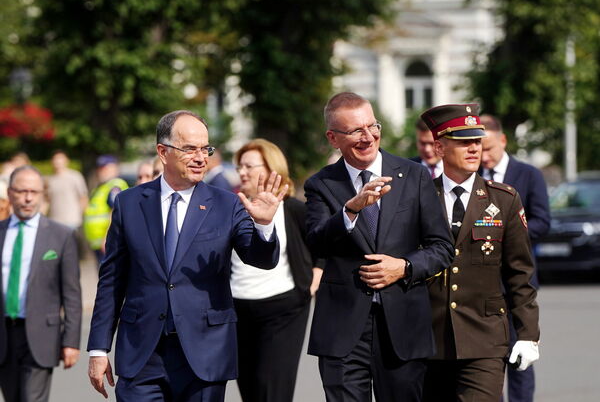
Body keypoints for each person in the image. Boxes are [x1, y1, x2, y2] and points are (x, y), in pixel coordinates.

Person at [87, 110, 287, 402]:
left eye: (205, 149)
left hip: (204, 354)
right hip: (142, 354)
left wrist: (264, 225)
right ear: (163, 152)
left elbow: (261, 258)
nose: (200, 157)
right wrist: (98, 348)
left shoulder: (227, 203)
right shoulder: (130, 203)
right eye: (190, 148)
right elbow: (111, 280)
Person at [304, 92, 454, 401]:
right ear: (333, 138)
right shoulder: (321, 184)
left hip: (402, 325)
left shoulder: (413, 175)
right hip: (344, 330)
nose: (368, 136)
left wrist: (405, 267)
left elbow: (441, 247)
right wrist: (350, 210)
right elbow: (316, 240)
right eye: (355, 130)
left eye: (372, 126)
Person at [419, 103, 540, 402]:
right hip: (427, 336)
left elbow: (520, 273)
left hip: (484, 336)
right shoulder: (418, 196)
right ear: (439, 147)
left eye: (476, 140)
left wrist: (527, 334)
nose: (474, 148)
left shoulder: (504, 199)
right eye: (463, 142)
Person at [231, 139, 324, 402]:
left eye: (249, 166)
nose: (242, 172)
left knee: (273, 391)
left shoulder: (293, 209)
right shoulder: (232, 208)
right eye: (239, 166)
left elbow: (322, 246)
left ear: (272, 169)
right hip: (237, 308)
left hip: (284, 309)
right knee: (249, 388)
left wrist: (314, 279)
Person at [479, 114, 550, 402]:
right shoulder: (474, 178)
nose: (484, 156)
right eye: (479, 149)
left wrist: (506, 234)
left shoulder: (528, 174)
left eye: (489, 149)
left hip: (517, 281)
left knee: (519, 354)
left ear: (503, 141)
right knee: (486, 361)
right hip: (482, 283)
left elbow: (543, 221)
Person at [0, 166, 82, 402]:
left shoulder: (60, 235)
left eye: (33, 192)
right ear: (10, 193)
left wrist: (71, 341)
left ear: (42, 195)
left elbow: (72, 294)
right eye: (21, 191)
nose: (27, 198)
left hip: (40, 335)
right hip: (4, 335)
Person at [83, 155, 128, 265]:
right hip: (98, 243)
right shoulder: (102, 186)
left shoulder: (115, 186)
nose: (102, 171)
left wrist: (108, 237)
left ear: (115, 168)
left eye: (106, 168)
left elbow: (115, 213)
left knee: (109, 278)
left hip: (108, 242)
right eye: (100, 168)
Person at [46, 150, 89, 229]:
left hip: (72, 221)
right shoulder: (49, 180)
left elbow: (83, 197)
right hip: (54, 221)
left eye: (60, 159)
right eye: (55, 159)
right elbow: (47, 201)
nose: (58, 162)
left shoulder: (75, 176)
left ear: (66, 161)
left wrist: (81, 215)